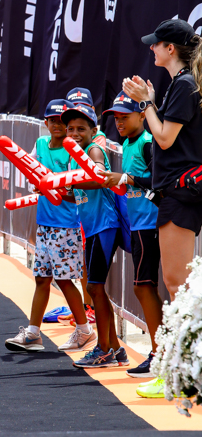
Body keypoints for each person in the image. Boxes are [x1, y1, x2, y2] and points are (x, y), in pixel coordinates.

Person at [122, 18, 202, 398]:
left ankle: (180, 374)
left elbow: (166, 138)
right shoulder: (182, 83)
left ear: (171, 48)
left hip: (180, 195)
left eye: (156, 44)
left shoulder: (184, 85)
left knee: (177, 286)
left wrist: (146, 103)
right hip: (176, 193)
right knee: (177, 285)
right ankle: (179, 371)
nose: (151, 49)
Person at [5, 99, 92, 354]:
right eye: (53, 120)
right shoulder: (41, 144)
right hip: (44, 223)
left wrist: (52, 188)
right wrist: (38, 185)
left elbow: (75, 191)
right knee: (42, 278)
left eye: (62, 121)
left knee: (65, 280)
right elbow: (32, 172)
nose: (58, 125)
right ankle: (33, 333)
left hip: (66, 224)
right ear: (45, 123)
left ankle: (85, 330)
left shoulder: (73, 150)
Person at [62, 103, 129, 369]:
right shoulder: (72, 154)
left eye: (81, 128)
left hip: (105, 225)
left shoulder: (93, 149)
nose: (75, 133)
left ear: (94, 130)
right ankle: (114, 348)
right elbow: (76, 193)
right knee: (95, 287)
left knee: (94, 287)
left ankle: (104, 350)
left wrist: (66, 181)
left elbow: (99, 175)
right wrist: (53, 190)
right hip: (92, 227)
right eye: (70, 128)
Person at [102, 91, 162, 381]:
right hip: (138, 225)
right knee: (144, 287)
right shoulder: (128, 143)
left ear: (142, 115)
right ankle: (160, 352)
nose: (119, 122)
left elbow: (162, 181)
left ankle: (159, 354)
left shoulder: (149, 143)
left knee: (143, 287)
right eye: (115, 117)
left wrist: (126, 179)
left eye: (124, 116)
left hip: (150, 224)